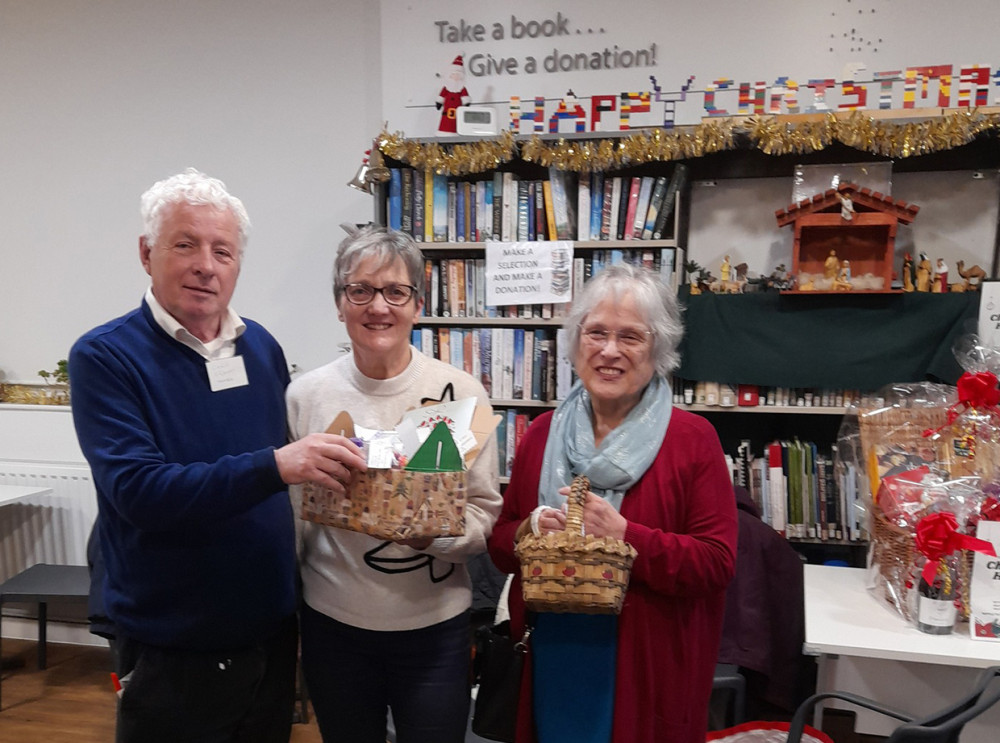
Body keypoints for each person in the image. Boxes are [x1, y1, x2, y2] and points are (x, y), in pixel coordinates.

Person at [68, 168, 366, 743]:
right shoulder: (105, 358)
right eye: (186, 244)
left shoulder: (260, 347)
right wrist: (275, 466)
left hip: (268, 631)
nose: (206, 265)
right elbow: (139, 492)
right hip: (173, 644)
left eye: (222, 251)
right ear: (146, 253)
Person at [488, 264, 738, 743]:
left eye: (631, 337)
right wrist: (527, 531)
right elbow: (500, 546)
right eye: (597, 332)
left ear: (658, 349)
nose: (609, 351)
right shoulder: (540, 434)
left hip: (645, 666)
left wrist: (625, 536)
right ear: (576, 340)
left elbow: (716, 563)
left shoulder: (692, 440)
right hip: (550, 654)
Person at [286, 226, 502, 743]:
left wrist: (433, 535)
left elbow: (483, 514)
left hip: (434, 631)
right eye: (360, 290)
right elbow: (291, 521)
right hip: (332, 625)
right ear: (340, 304)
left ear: (418, 305)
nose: (378, 306)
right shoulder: (305, 396)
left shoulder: (461, 393)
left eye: (396, 292)